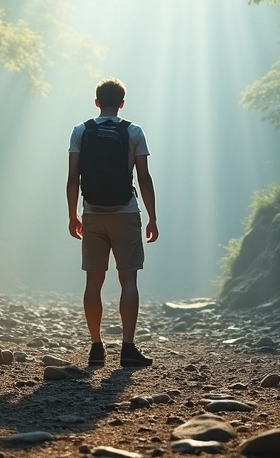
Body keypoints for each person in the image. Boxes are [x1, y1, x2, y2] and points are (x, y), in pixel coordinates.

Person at [66, 78, 159, 367]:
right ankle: (128, 349)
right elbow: (143, 177)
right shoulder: (133, 131)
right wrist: (153, 217)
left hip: (92, 213)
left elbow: (73, 178)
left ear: (96, 102)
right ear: (122, 103)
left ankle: (96, 347)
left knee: (93, 282)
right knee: (128, 280)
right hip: (126, 212)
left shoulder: (81, 131)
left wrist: (73, 215)